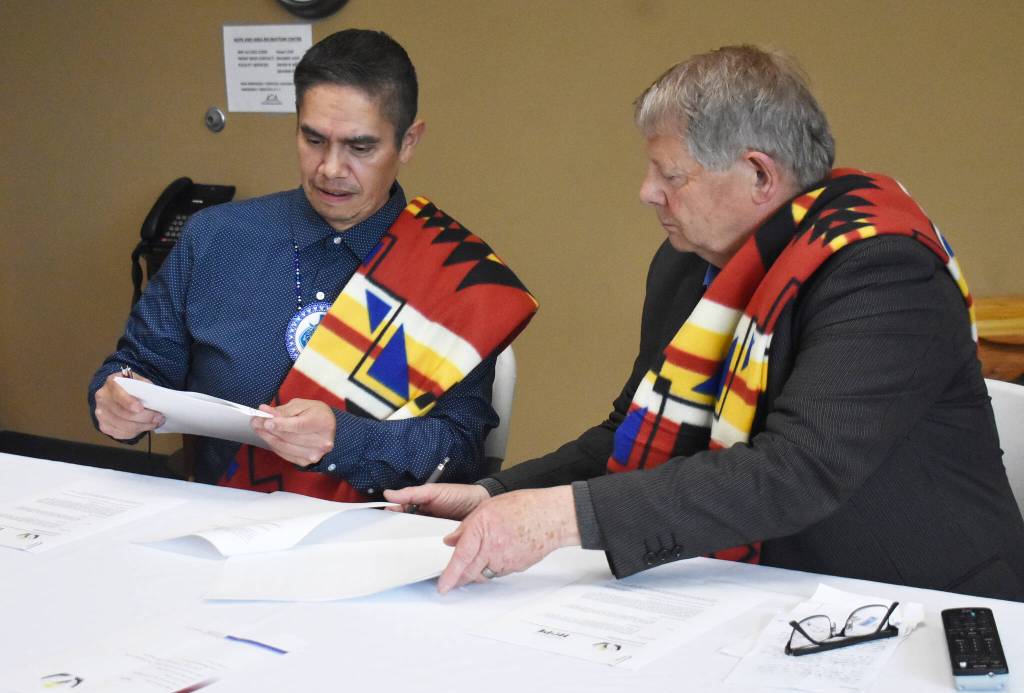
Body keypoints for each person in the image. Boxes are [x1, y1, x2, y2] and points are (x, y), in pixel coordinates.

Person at [387, 45, 1024, 601]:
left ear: (758, 175)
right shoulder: (685, 265)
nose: (646, 192)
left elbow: (796, 471)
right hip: (754, 584)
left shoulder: (881, 268)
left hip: (917, 601)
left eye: (671, 175)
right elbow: (628, 432)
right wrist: (497, 493)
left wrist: (561, 518)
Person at [90, 29, 537, 502]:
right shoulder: (215, 238)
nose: (330, 168)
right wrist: (115, 398)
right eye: (314, 139)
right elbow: (135, 366)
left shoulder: (453, 279)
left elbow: (461, 451)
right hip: (218, 524)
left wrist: (344, 440)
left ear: (408, 141)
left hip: (376, 541)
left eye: (360, 147)